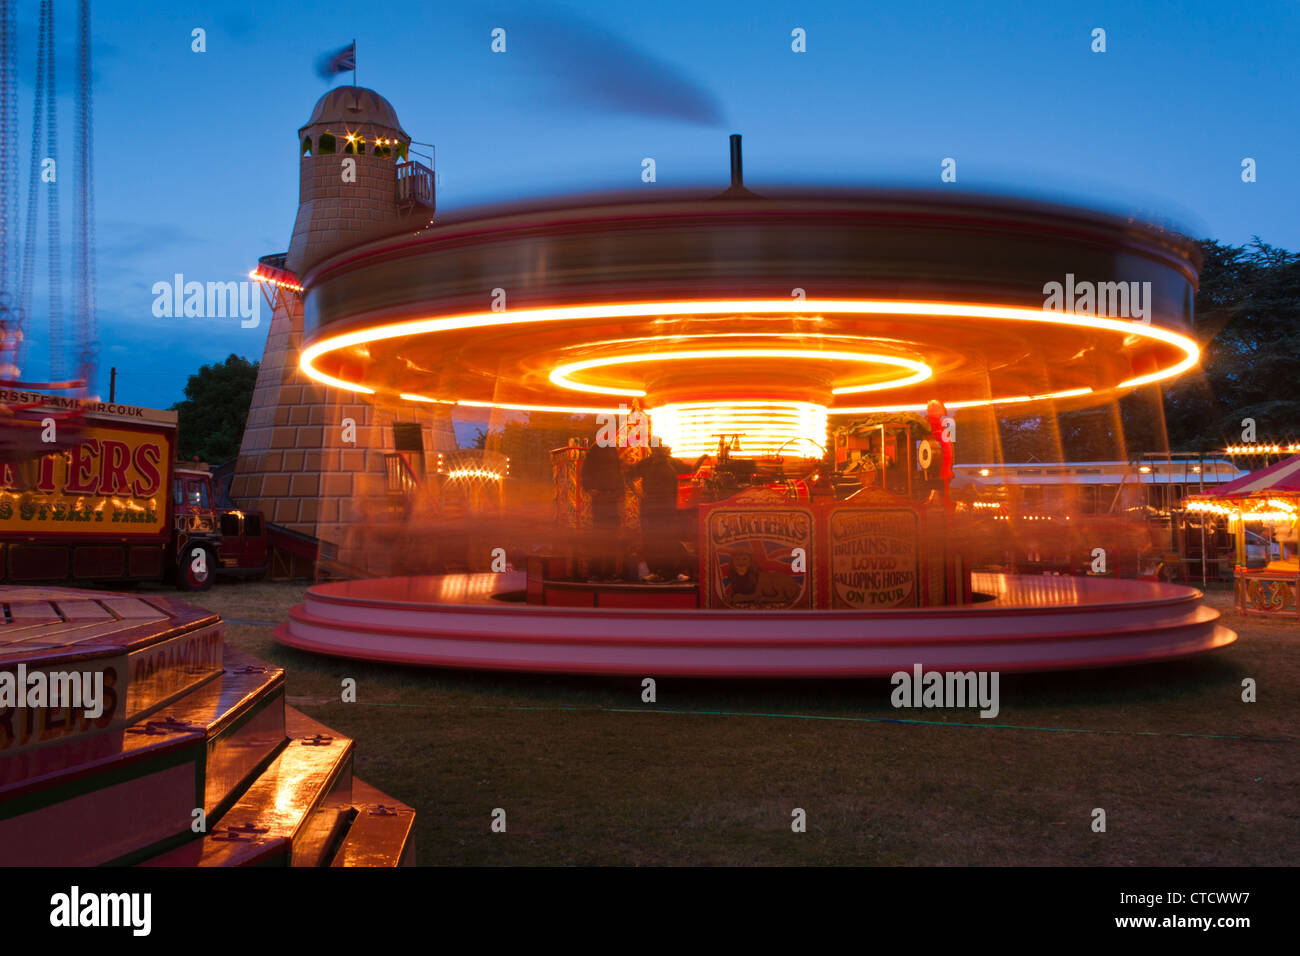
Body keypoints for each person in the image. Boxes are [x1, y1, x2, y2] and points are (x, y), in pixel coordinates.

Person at [627, 443, 690, 581]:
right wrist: (638, 493)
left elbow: (690, 468)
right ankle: (655, 571)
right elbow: (629, 476)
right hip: (651, 508)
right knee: (652, 538)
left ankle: (673, 571)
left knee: (669, 538)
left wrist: (703, 458)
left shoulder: (671, 462)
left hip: (667, 507)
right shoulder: (647, 464)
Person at [580, 435, 625, 581]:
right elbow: (586, 473)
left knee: (604, 536)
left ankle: (600, 572)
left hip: (606, 496)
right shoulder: (603, 451)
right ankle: (602, 572)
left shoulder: (603, 451)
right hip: (604, 497)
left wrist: (591, 488)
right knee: (605, 536)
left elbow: (586, 473)